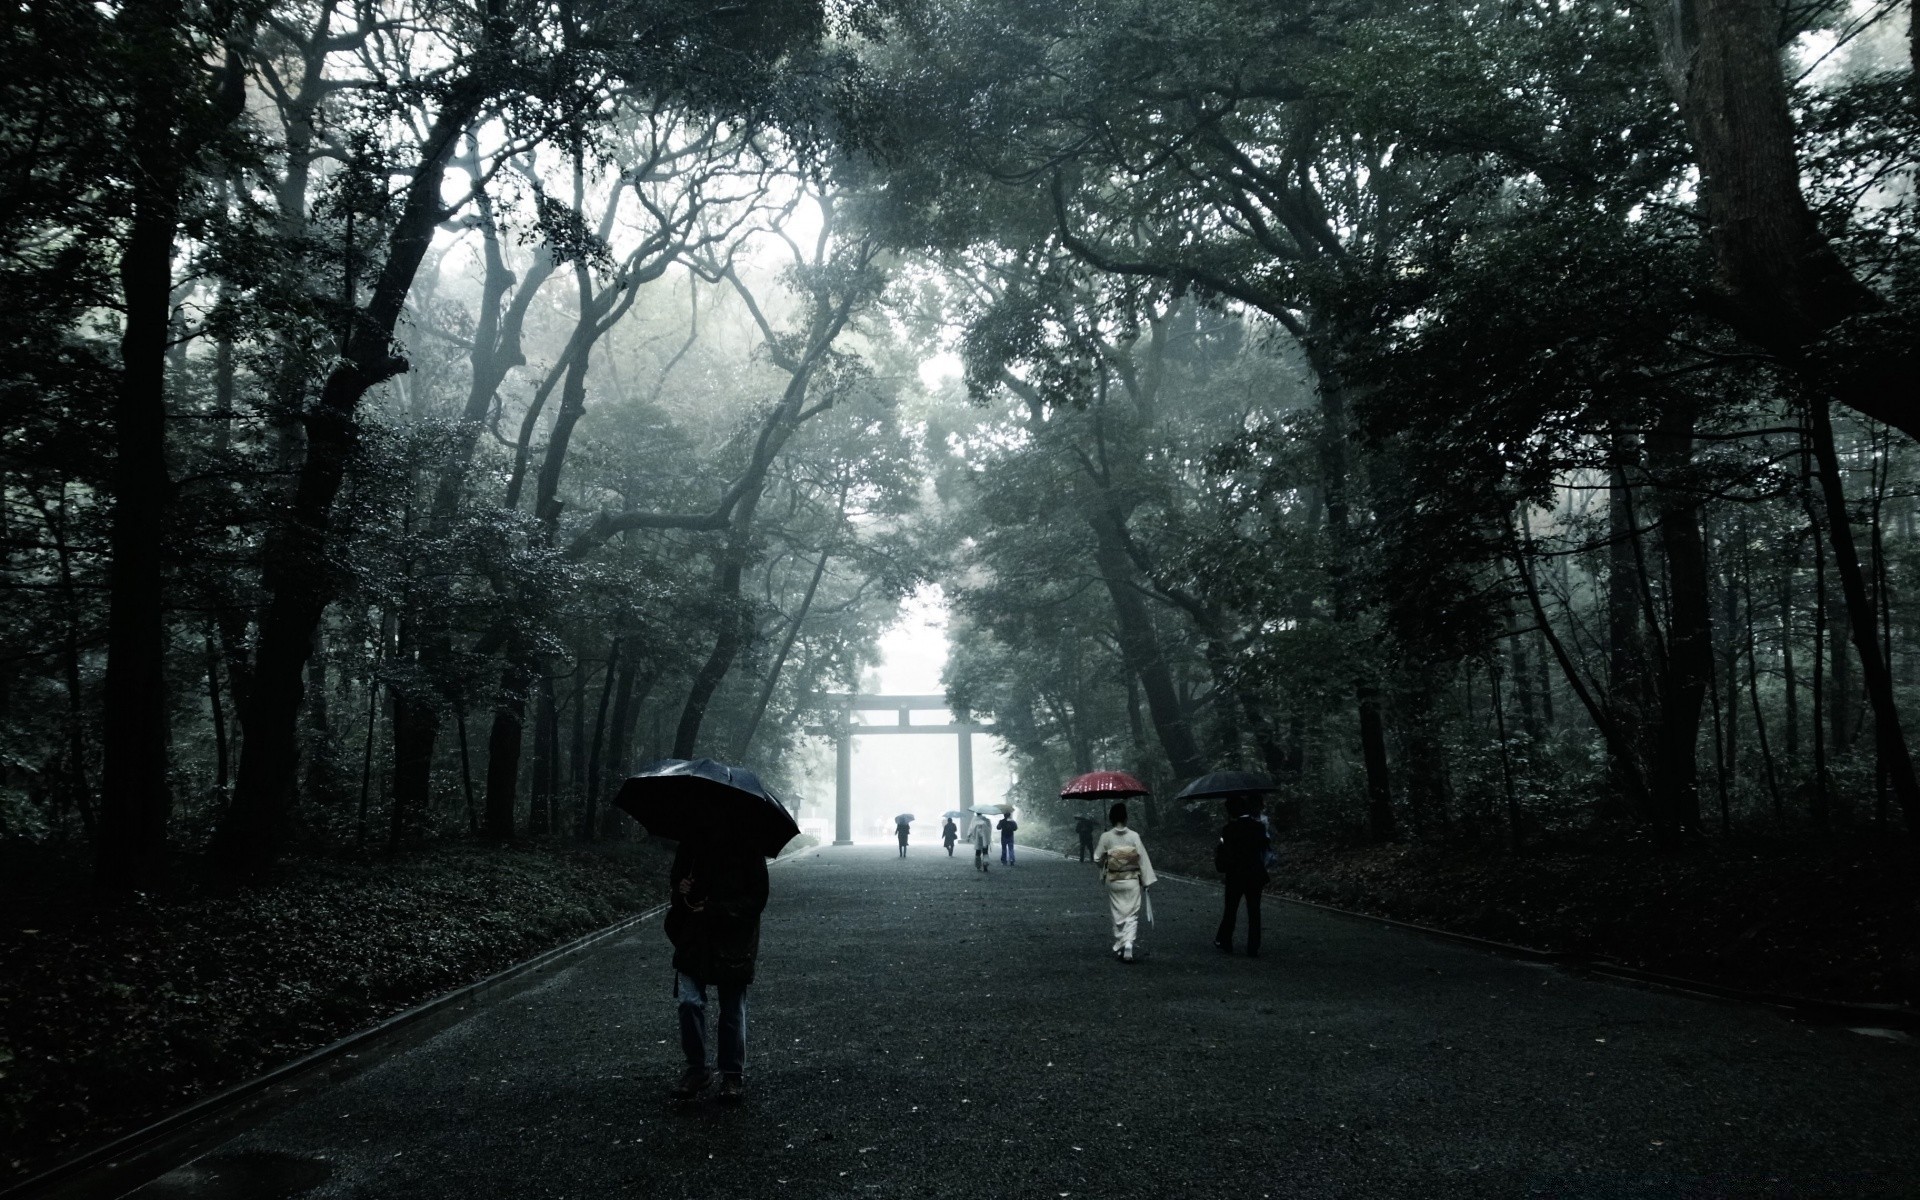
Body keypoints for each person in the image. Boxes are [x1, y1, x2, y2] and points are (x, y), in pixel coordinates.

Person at [664, 840, 770, 1103]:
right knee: (689, 1002)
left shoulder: (748, 845)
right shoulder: (691, 843)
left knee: (732, 1009)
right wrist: (681, 890)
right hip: (694, 938)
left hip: (733, 940)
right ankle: (697, 1069)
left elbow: (757, 899)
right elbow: (676, 890)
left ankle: (732, 1073)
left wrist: (715, 909)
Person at [1094, 802, 1156, 963]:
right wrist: (1146, 880)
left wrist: (1106, 859)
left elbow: (1096, 858)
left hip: (1114, 880)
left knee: (1117, 913)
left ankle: (1121, 943)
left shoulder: (1105, 836)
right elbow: (1142, 859)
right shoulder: (1134, 836)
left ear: (1111, 818)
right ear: (1126, 817)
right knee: (1132, 913)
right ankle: (1128, 942)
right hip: (1131, 880)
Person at [1213, 794, 1272, 956]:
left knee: (1231, 909)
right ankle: (1253, 947)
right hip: (1255, 874)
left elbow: (1224, 852)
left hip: (1235, 874)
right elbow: (1264, 846)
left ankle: (1226, 942)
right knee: (1254, 911)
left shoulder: (1228, 829)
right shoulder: (1258, 827)